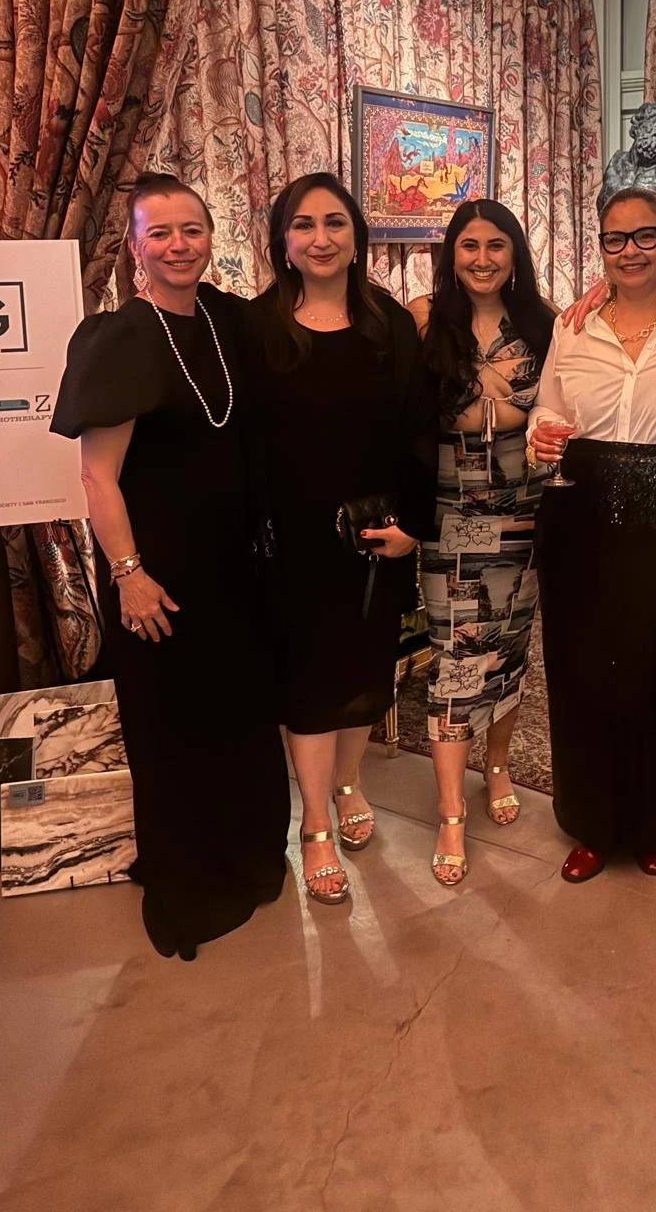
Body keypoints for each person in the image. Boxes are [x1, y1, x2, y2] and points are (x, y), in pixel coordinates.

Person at [51, 174, 289, 961]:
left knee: (240, 724)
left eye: (192, 229)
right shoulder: (121, 338)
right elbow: (98, 478)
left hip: (235, 573)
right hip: (159, 579)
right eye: (161, 233)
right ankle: (190, 889)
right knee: (177, 737)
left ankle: (253, 862)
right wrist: (128, 573)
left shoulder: (222, 317)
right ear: (134, 248)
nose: (179, 245)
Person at [250, 173, 437, 906]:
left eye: (335, 222)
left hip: (373, 536)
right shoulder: (255, 326)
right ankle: (317, 821)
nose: (320, 238)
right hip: (288, 542)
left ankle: (351, 781)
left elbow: (421, 431)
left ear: (357, 236)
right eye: (304, 225)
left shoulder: (388, 323)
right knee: (307, 683)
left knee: (365, 675)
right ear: (283, 242)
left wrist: (412, 529)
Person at [530, 189, 656, 882]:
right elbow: (547, 403)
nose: (629, 251)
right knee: (582, 674)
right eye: (614, 239)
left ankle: (655, 822)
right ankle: (593, 823)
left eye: (645, 237)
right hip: (578, 510)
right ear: (598, 244)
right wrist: (539, 433)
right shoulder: (571, 327)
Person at [410, 200, 555, 885]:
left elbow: (562, 412)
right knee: (455, 661)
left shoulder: (544, 325)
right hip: (447, 524)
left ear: (514, 254)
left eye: (496, 246)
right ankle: (449, 812)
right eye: (469, 246)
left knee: (509, 655)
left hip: (522, 518)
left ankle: (496, 766)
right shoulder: (421, 320)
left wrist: (511, 412)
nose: (482, 259)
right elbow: (404, 417)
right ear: (451, 253)